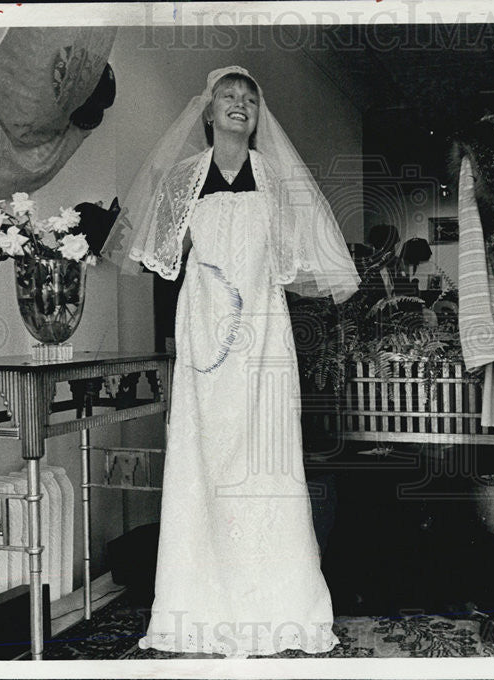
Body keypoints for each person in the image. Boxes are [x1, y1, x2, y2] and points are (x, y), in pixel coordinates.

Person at [105, 66, 359, 657]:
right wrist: (179, 334)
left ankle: (278, 600)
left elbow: (296, 260)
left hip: (265, 335)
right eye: (229, 97)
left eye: (250, 97)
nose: (240, 105)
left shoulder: (275, 180)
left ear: (257, 114)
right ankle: (200, 600)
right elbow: (160, 262)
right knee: (206, 456)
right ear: (209, 112)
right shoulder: (182, 180)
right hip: (202, 336)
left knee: (264, 457)